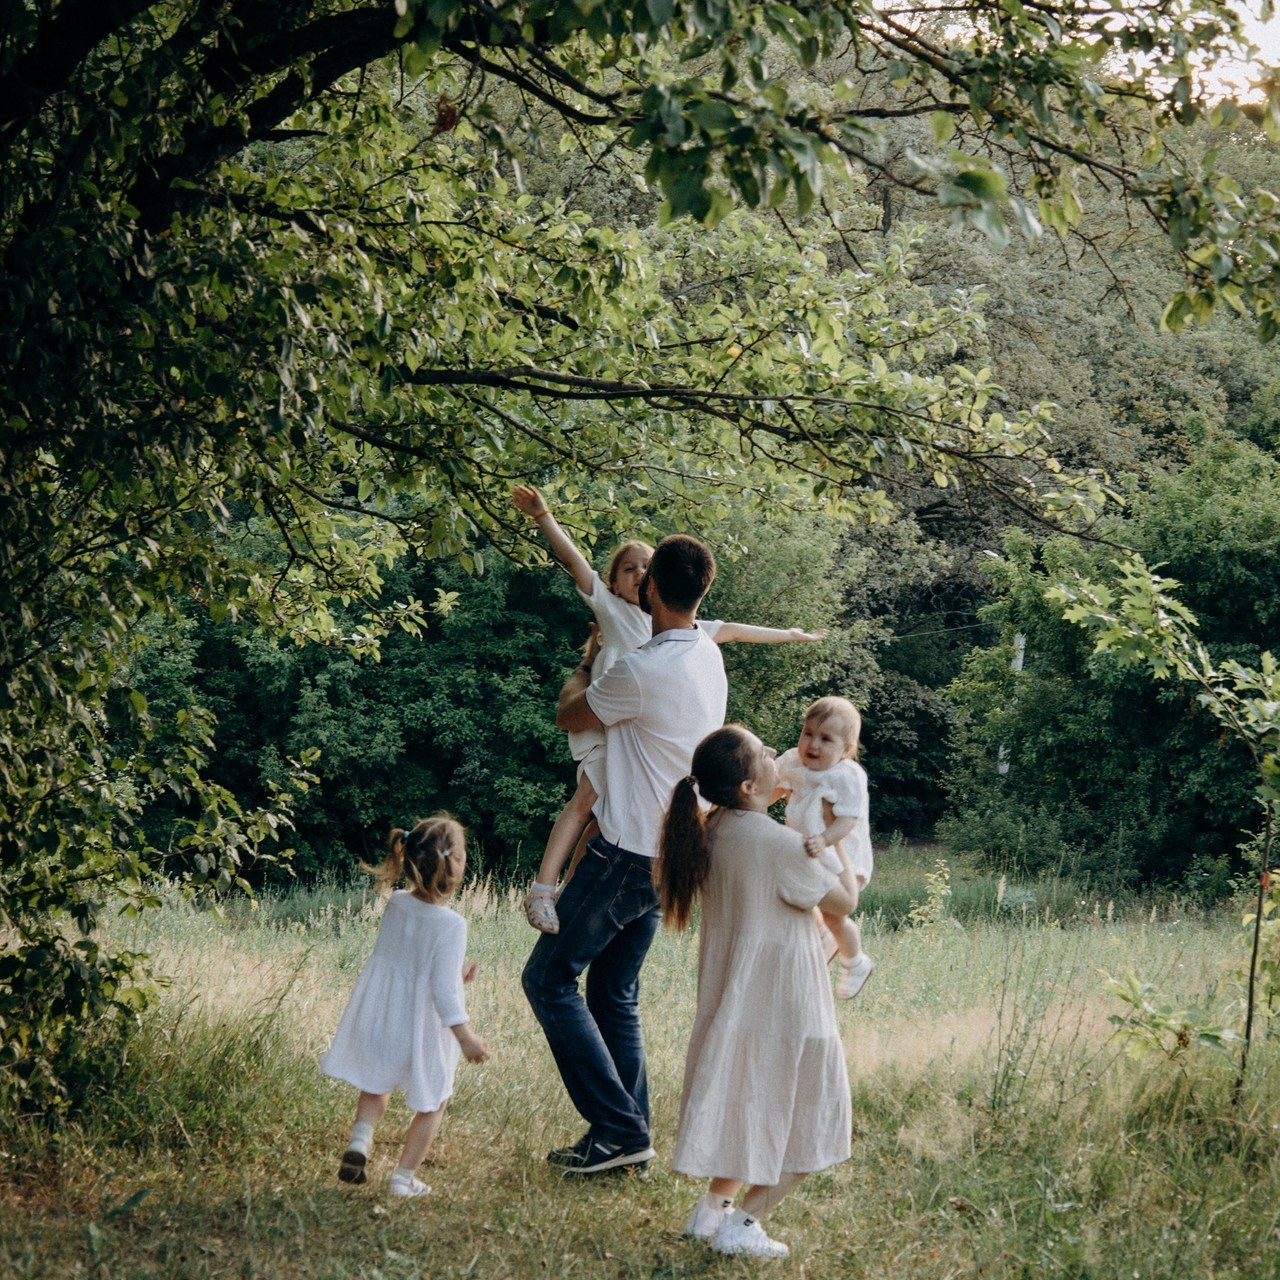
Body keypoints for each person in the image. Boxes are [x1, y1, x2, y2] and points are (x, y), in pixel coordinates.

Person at [512, 482, 825, 935]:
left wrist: (789, 635)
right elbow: (576, 563)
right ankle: (546, 887)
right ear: (615, 581)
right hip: (600, 724)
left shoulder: (694, 633)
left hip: (624, 730)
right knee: (587, 802)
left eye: (645, 567)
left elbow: (735, 629)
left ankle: (566, 889)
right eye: (628, 568)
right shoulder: (616, 613)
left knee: (599, 816)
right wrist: (544, 517)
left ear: (656, 583)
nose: (637, 574)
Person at [521, 531, 727, 1176]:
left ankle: (619, 1129)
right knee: (613, 990)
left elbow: (571, 718)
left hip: (626, 854)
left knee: (549, 980)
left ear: (649, 588)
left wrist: (584, 667)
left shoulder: (641, 669)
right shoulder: (706, 656)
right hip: (672, 856)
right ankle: (627, 1143)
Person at [655, 724, 855, 1258]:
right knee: (815, 1113)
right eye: (765, 753)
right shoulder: (781, 845)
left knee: (749, 1099)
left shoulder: (710, 830)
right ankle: (744, 1223)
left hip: (737, 1000)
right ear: (748, 786)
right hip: (787, 1002)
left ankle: (711, 1211)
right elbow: (845, 902)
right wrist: (837, 831)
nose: (776, 754)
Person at [321, 814, 490, 1198]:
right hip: (422, 1026)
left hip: (383, 1015)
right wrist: (466, 1038)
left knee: (375, 1083)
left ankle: (360, 1141)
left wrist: (454, 972)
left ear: (411, 858)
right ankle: (402, 1178)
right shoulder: (452, 925)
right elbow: (441, 991)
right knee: (435, 1100)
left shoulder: (396, 903)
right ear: (458, 865)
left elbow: (411, 959)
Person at [775, 695, 876, 1000]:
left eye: (825, 739)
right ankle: (824, 938)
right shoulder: (794, 761)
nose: (813, 745)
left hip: (845, 858)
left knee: (834, 915)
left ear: (845, 749)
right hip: (809, 851)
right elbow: (774, 787)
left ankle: (855, 962)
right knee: (800, 900)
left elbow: (848, 820)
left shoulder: (847, 775)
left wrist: (826, 839)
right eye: (808, 733)